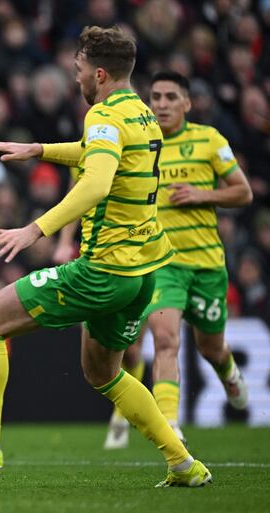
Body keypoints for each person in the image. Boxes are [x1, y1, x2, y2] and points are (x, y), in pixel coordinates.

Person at [0, 26, 211, 488]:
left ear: (98, 74)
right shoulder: (140, 113)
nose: (75, 79)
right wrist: (38, 150)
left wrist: (35, 229)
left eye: (77, 71)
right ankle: (184, 464)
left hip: (101, 270)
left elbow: (95, 181)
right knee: (103, 372)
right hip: (142, 272)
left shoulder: (101, 115)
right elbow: (101, 155)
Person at [103, 70, 252, 450]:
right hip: (163, 264)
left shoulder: (209, 140)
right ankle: (170, 425)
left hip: (206, 265)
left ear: (187, 103)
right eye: (156, 97)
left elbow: (243, 193)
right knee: (165, 340)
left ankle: (228, 371)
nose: (162, 104)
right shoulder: (140, 143)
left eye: (171, 97)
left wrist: (200, 195)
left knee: (210, 347)